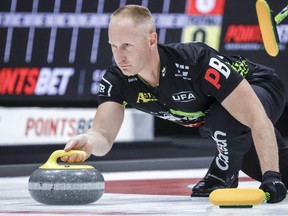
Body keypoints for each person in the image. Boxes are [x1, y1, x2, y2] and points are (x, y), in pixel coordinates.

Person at [61, 4, 288, 203]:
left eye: (127, 45)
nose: (119, 56)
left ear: (152, 40)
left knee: (223, 121)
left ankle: (222, 172)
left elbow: (256, 117)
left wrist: (271, 177)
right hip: (225, 122)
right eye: (113, 46)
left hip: (260, 86)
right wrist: (89, 142)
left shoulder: (196, 63)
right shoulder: (117, 81)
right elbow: (103, 134)